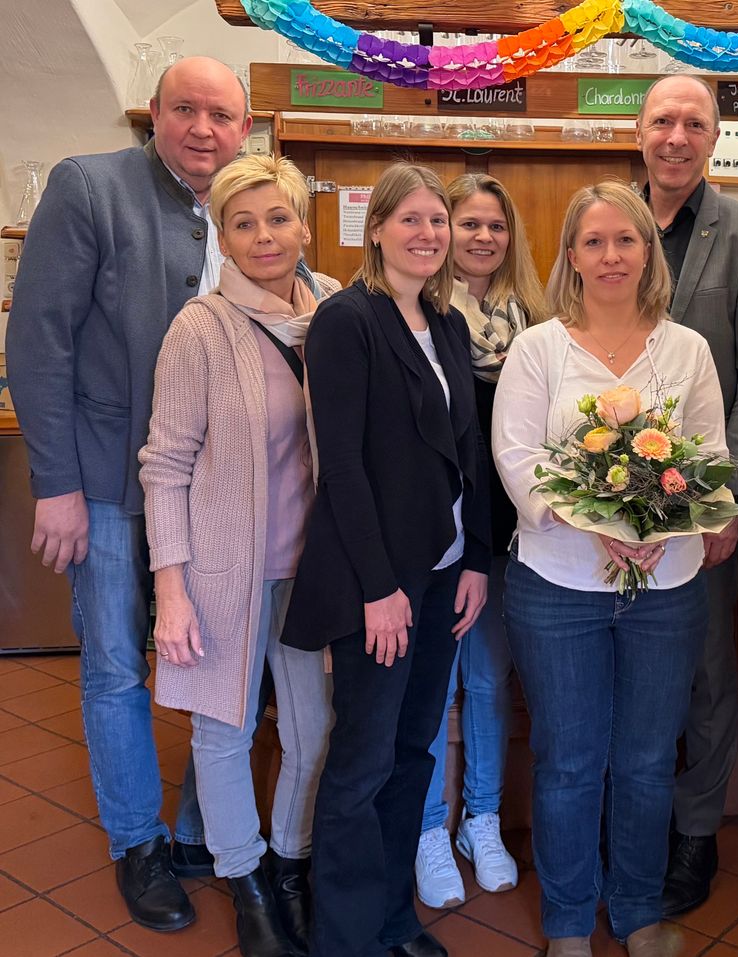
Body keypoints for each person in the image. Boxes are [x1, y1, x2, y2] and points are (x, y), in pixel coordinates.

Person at [6, 56, 252, 930]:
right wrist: (57, 484)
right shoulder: (89, 187)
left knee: (215, 658)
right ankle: (138, 841)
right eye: (185, 109)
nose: (202, 129)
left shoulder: (246, 206)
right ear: (154, 112)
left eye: (220, 115)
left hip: (213, 489)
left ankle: (197, 828)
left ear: (244, 129)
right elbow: (39, 341)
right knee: (115, 663)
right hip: (108, 481)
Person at [491, 180, 730, 957]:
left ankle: (635, 907)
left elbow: (710, 460)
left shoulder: (687, 349)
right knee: (568, 759)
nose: (611, 255)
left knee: (647, 760)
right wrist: (594, 525)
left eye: (626, 239)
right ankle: (567, 917)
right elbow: (517, 457)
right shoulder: (538, 347)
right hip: (557, 586)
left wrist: (662, 526)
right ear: (571, 256)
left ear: (649, 251)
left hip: (667, 585)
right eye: (593, 241)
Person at [281, 163, 491, 957]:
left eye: (438, 220)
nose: (428, 234)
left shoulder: (447, 323)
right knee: (362, 761)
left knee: (411, 753)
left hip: (443, 576)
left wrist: (476, 558)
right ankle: (344, 938)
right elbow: (342, 465)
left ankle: (393, 919)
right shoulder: (346, 320)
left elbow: (467, 451)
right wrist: (379, 588)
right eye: (411, 219)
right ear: (376, 229)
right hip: (381, 584)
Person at [138, 154, 339, 957]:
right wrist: (172, 590)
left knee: (315, 730)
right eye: (243, 223)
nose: (263, 237)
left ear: (303, 226)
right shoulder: (200, 327)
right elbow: (165, 464)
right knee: (223, 730)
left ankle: (291, 862)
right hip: (224, 569)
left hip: (312, 568)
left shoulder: (331, 308)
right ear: (222, 237)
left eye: (277, 218)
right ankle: (246, 880)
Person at [635, 73, 738, 918]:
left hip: (701, 506)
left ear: (714, 137)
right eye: (663, 120)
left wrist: (725, 500)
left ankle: (696, 831)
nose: (677, 137)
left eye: (694, 123)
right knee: (629, 673)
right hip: (607, 503)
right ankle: (638, 821)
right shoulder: (602, 220)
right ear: (639, 132)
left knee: (704, 675)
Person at [415, 173, 546, 907]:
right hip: (437, 532)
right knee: (435, 685)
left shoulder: (536, 324)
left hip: (506, 530)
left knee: (491, 681)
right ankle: (428, 826)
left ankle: (482, 819)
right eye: (468, 223)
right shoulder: (421, 316)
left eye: (496, 226)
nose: (483, 237)